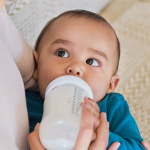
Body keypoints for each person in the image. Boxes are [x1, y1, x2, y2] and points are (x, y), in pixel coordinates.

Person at [0, 0, 149, 150]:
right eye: (62, 53)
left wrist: (100, 135)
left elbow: (138, 146)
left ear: (111, 84)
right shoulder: (24, 100)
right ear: (37, 66)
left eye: (92, 61)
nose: (76, 67)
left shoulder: (111, 107)